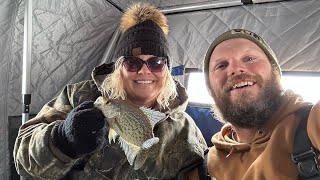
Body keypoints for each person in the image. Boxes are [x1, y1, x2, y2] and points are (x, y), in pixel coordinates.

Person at [13, 3, 207, 180]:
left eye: (156, 63)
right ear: (118, 68)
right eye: (133, 63)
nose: (144, 71)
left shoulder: (185, 131)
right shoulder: (78, 97)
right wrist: (63, 140)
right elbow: (23, 160)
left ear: (167, 70)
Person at [203, 29, 320, 179]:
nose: (235, 69)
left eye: (249, 58)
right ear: (210, 89)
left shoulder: (312, 122)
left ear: (275, 71)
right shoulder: (202, 165)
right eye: (221, 65)